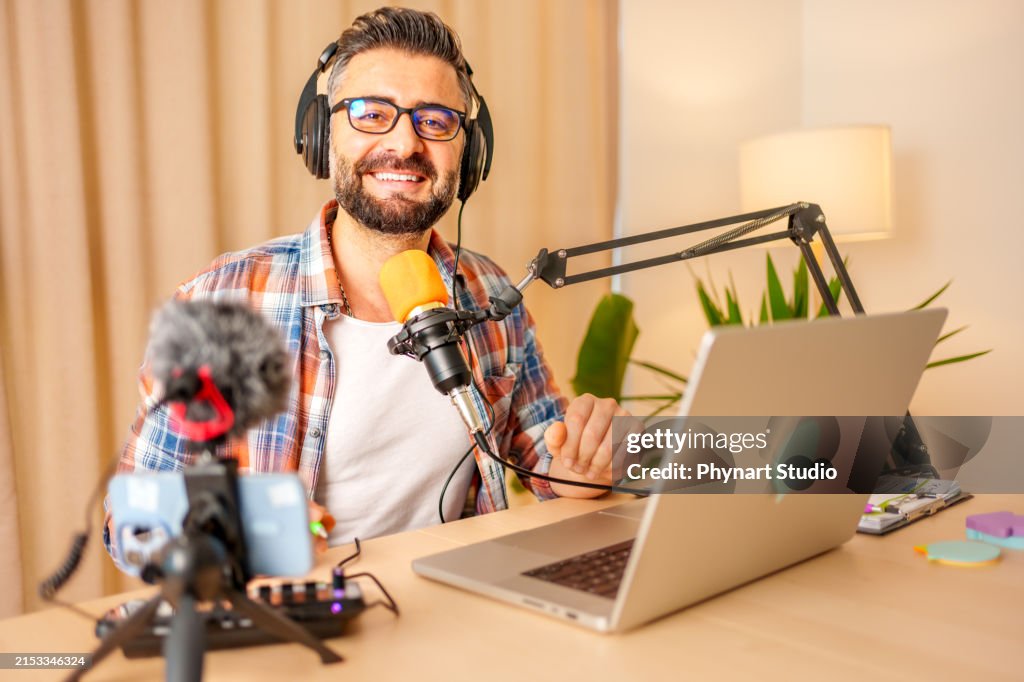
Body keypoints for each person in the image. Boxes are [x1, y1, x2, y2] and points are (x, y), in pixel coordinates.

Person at [109, 7, 628, 558]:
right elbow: (131, 525)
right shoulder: (223, 299)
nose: (405, 145)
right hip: (296, 620)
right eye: (371, 113)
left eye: (435, 120)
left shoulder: (488, 291)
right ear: (319, 133)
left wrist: (580, 466)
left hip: (459, 611)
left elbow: (547, 461)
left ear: (469, 151)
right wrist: (218, 524)